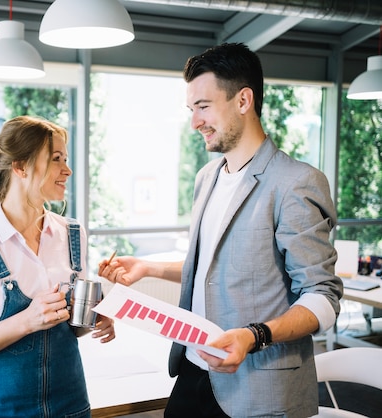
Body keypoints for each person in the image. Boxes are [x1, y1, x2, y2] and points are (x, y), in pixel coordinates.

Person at [98, 43, 343, 418]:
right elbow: (217, 269)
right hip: (193, 370)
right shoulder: (207, 177)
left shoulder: (296, 182)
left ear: (243, 100)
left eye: (204, 106)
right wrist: (148, 268)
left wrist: (253, 335)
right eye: (191, 109)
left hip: (260, 387)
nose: (195, 121)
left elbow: (322, 297)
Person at [0, 115, 115, 418]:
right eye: (56, 159)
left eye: (66, 159)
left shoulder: (73, 234)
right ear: (20, 167)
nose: (68, 170)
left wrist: (95, 317)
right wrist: (27, 320)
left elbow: (72, 330)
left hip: (70, 405)